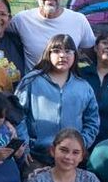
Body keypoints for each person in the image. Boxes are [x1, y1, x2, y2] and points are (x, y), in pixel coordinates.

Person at [15, 34, 100, 167]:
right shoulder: (31, 81)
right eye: (56, 51)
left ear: (75, 55)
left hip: (71, 160)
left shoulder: (83, 87)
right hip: (36, 158)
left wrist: (81, 143)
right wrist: (24, 145)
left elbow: (92, 121)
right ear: (48, 53)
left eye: (68, 51)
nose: (62, 55)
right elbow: (18, 115)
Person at [10, 0, 96, 71]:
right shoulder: (21, 20)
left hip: (67, 86)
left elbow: (95, 57)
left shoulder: (79, 21)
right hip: (34, 86)